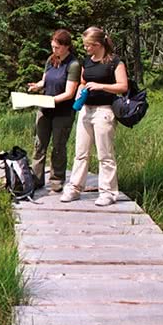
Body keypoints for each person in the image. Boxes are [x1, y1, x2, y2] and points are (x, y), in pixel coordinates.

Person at [60, 26, 128, 206]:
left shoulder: (115, 62)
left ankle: (108, 192)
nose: (86, 48)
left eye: (88, 45)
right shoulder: (87, 62)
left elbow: (122, 86)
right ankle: (74, 188)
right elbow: (83, 80)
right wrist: (81, 89)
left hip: (104, 111)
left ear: (98, 44)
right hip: (86, 110)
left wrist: (101, 86)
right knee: (80, 153)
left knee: (105, 154)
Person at [27, 29, 80, 193]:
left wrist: (51, 100)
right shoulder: (51, 60)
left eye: (57, 47)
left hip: (62, 112)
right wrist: (37, 86)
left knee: (58, 146)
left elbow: (69, 93)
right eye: (52, 47)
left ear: (66, 47)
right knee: (39, 144)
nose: (54, 50)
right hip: (45, 109)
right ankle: (36, 179)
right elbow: (45, 80)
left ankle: (57, 180)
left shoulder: (73, 65)